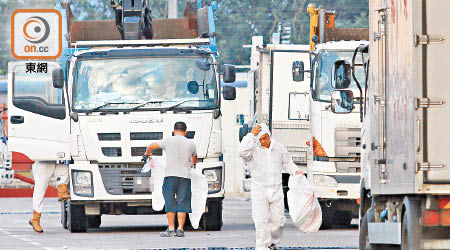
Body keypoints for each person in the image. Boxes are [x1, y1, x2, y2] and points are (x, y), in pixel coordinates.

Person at [238, 124, 303, 250]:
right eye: (261, 139)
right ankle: (262, 246)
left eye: (266, 138)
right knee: (260, 220)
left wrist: (295, 171)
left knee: (278, 222)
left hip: (276, 190)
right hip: (259, 190)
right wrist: (251, 134)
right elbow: (241, 151)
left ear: (269, 136)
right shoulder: (252, 149)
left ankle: (273, 242)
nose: (264, 141)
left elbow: (288, 163)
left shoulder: (279, 148)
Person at [144, 121, 198, 237]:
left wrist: (148, 152)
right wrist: (191, 164)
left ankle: (171, 228)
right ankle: (180, 229)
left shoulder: (168, 140)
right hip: (184, 177)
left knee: (170, 202)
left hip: (170, 176)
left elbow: (151, 146)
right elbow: (194, 159)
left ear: (174, 131)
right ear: (185, 131)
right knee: (183, 202)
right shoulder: (191, 144)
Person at [29, 161, 70, 233]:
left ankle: (62, 193)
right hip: (42, 166)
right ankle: (35, 219)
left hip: (51, 164)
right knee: (40, 193)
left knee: (64, 170)